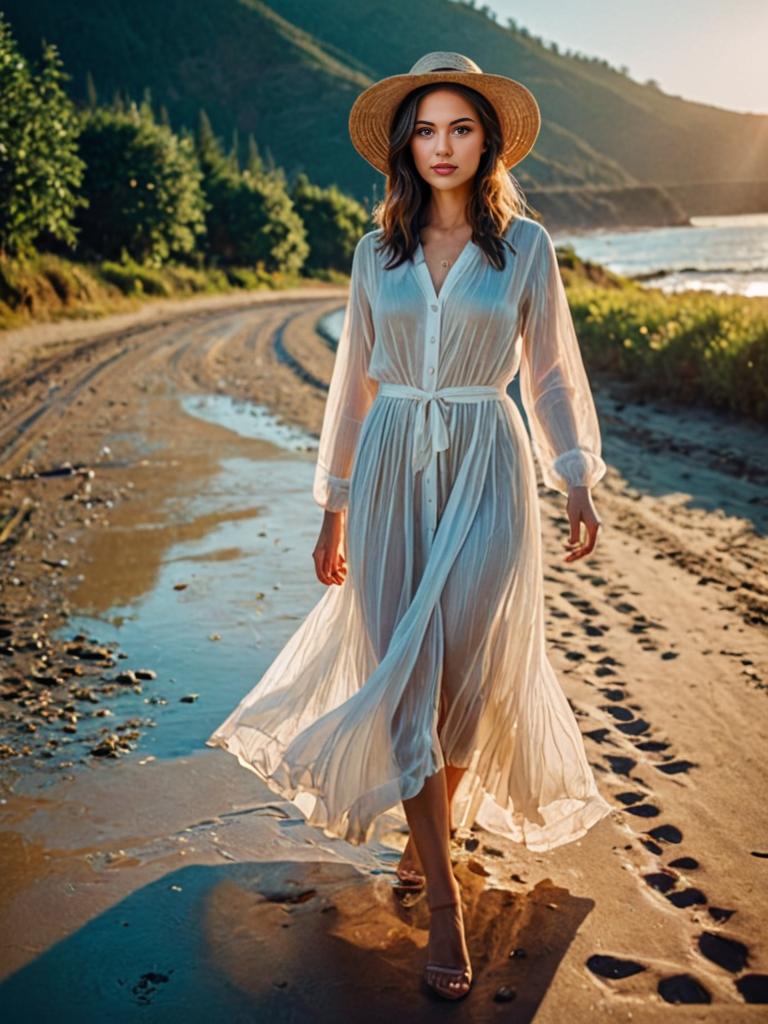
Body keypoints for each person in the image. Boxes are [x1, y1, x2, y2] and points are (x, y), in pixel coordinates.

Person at [207, 51, 611, 1001]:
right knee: (400, 672)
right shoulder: (374, 251)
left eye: (460, 128)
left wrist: (577, 479)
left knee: (466, 668)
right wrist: (332, 506)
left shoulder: (528, 247)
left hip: (488, 460)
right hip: (392, 465)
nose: (442, 146)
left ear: (489, 140)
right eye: (425, 129)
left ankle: (432, 831)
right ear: (404, 144)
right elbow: (355, 386)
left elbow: (550, 372)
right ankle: (441, 902)